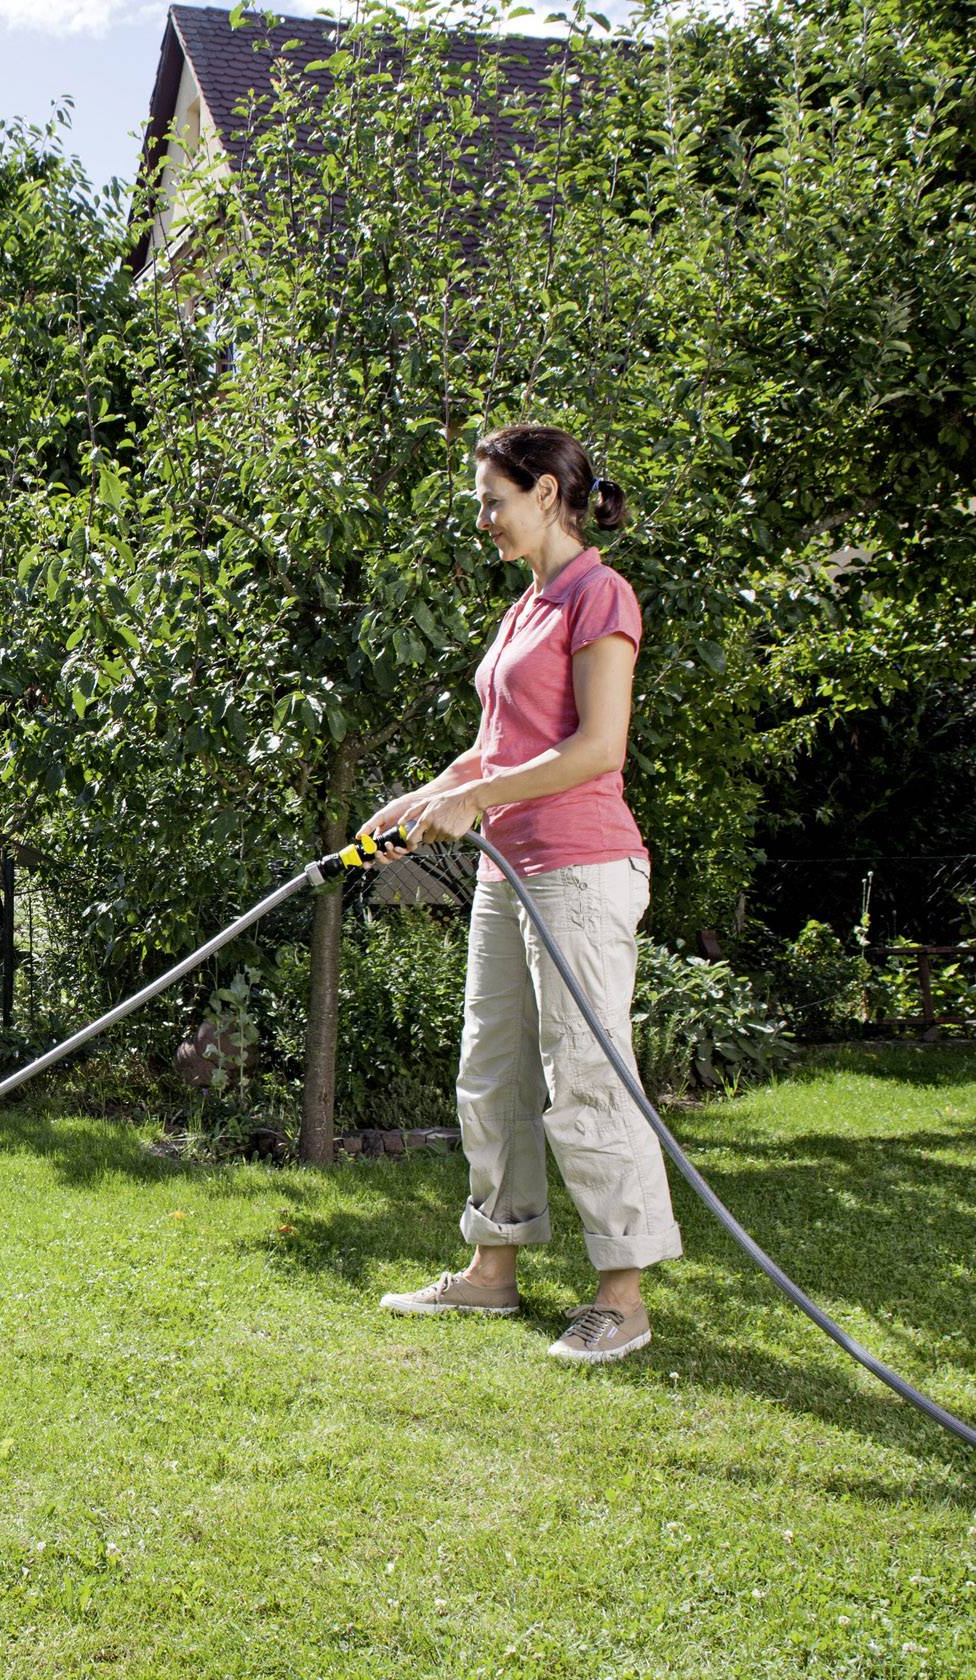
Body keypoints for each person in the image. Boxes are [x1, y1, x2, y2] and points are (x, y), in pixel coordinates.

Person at [365, 423, 681, 1364]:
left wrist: (472, 799)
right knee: (491, 1071)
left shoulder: (599, 596)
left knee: (585, 1075)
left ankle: (620, 1297)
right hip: (510, 870)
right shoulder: (525, 609)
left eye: (493, 502)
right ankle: (492, 1271)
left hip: (581, 870)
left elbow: (597, 749)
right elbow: (498, 749)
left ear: (547, 493)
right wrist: (424, 798)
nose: (484, 521)